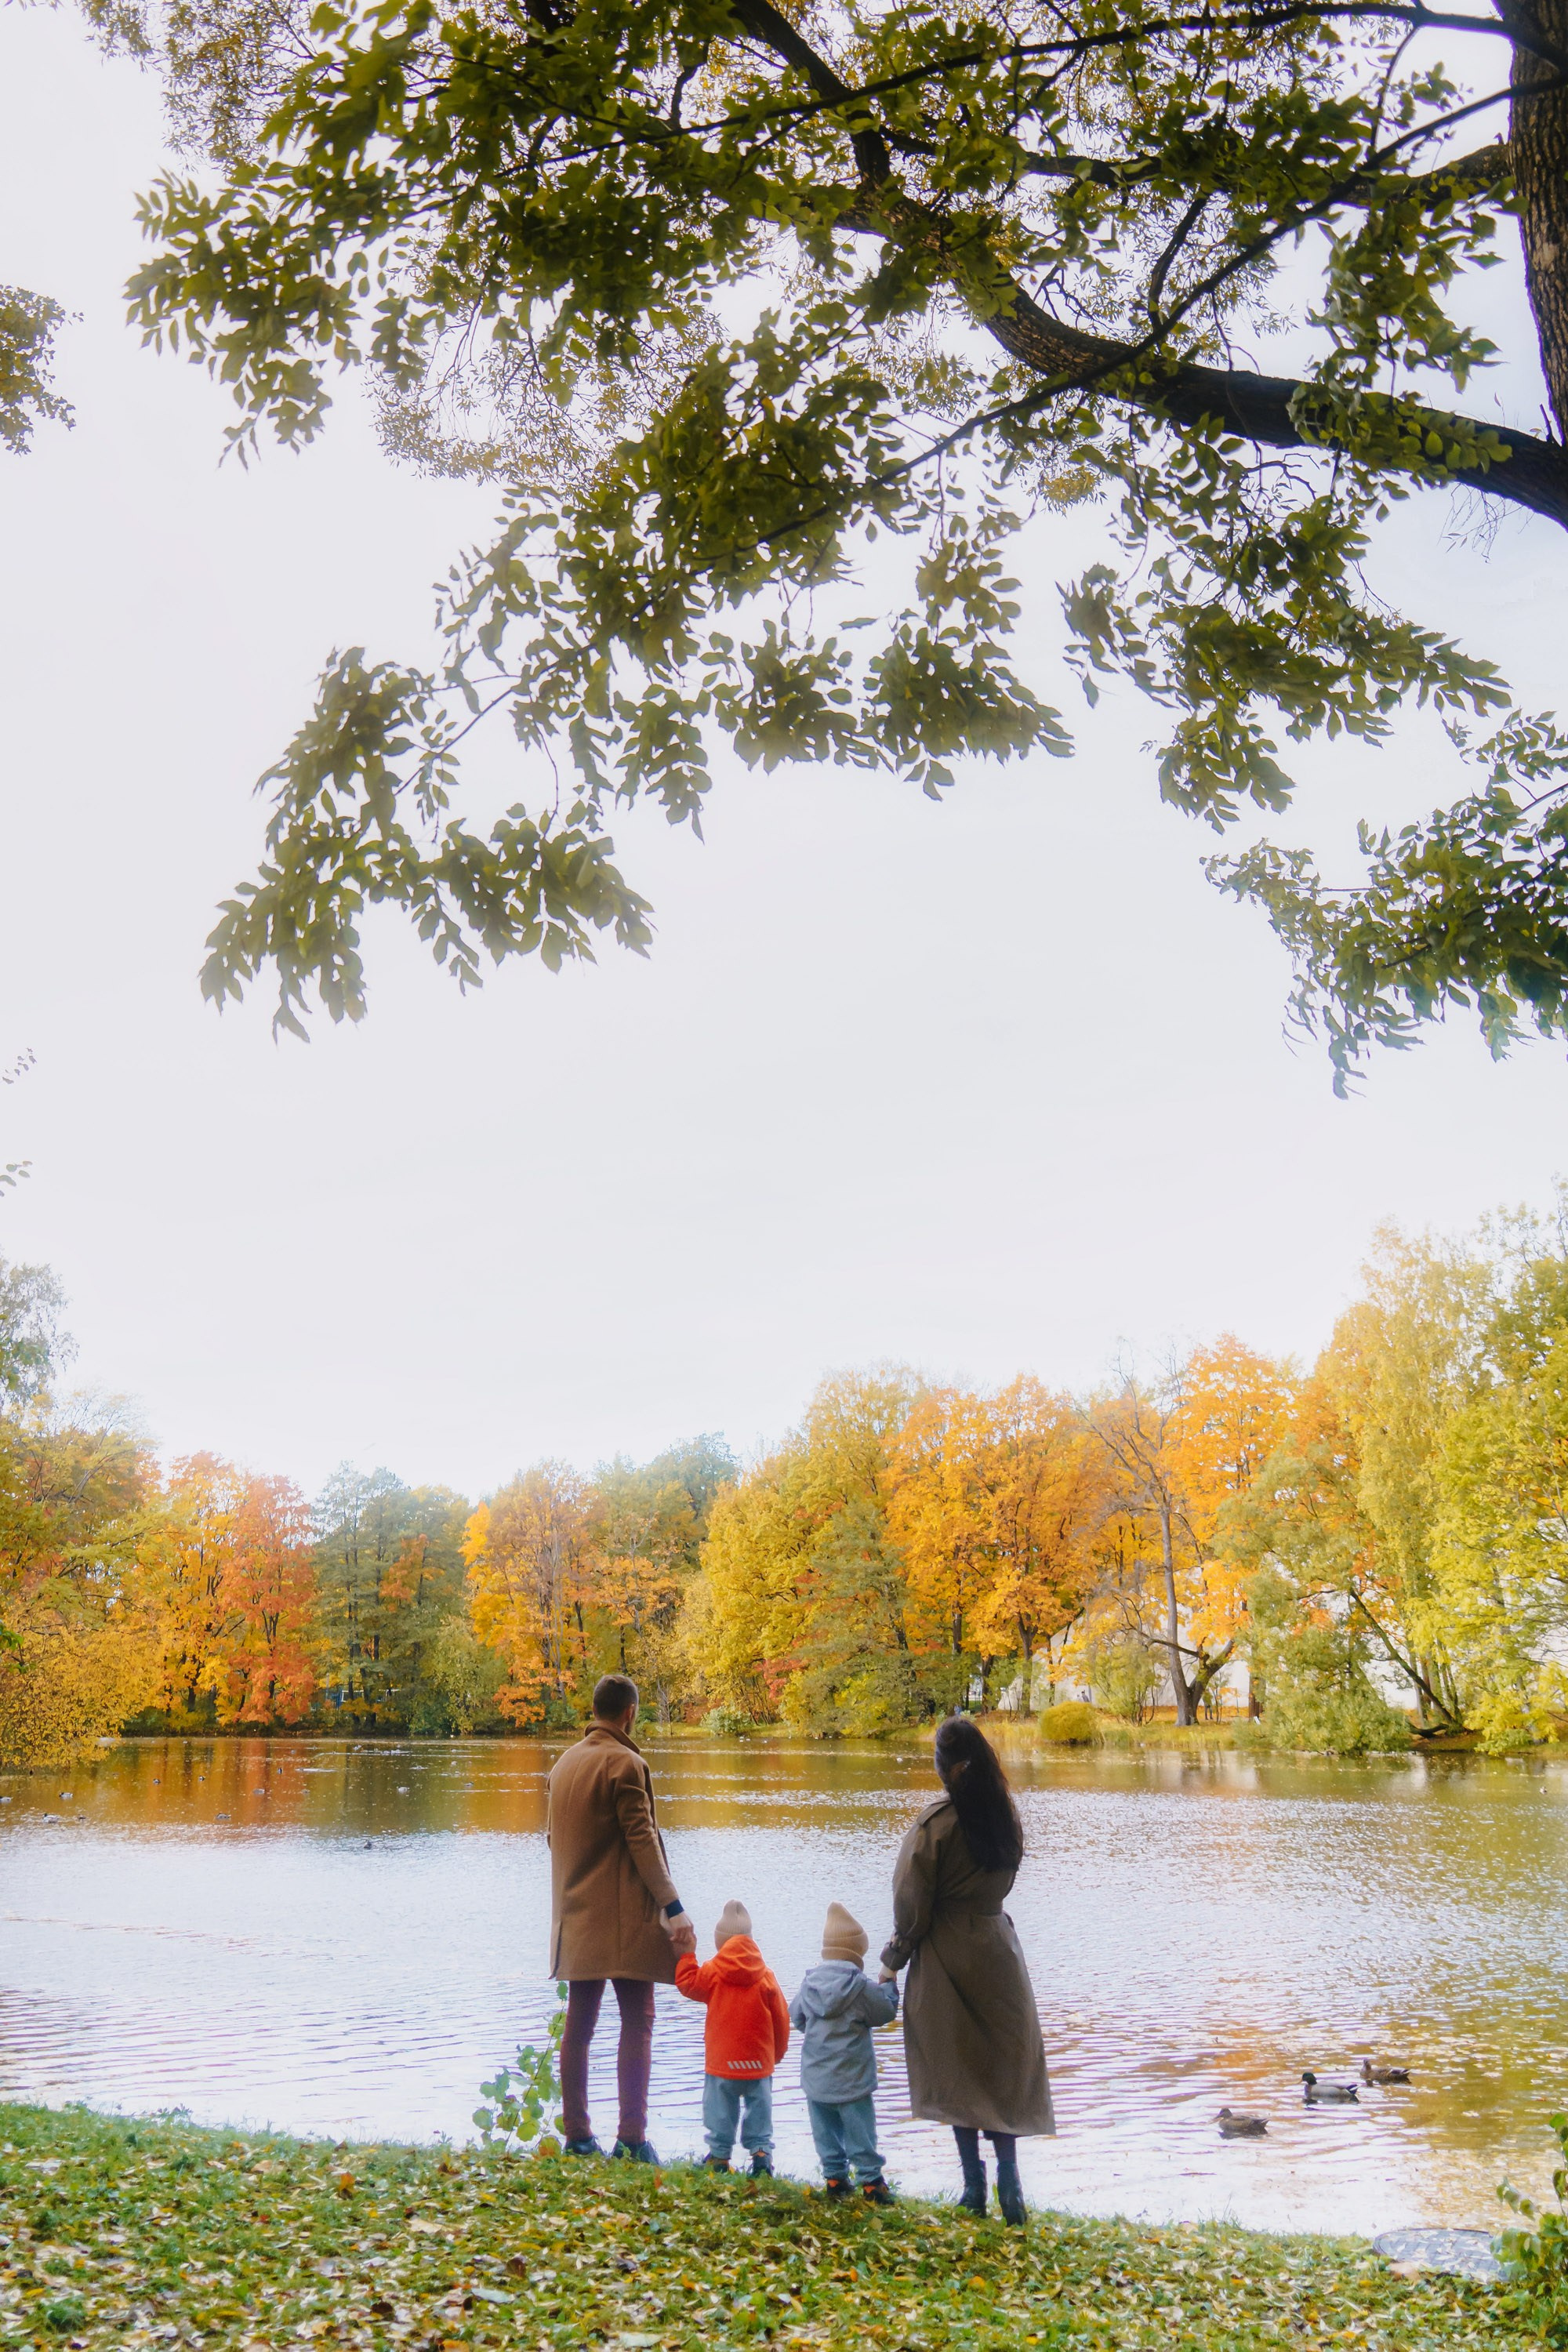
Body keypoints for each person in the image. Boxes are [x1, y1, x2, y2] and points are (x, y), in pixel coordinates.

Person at [880, 1715, 1052, 2225]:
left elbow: (911, 1904)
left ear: (943, 1767)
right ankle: (1010, 2184)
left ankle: (973, 2189)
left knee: (957, 2071)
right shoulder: (1005, 1817)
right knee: (1000, 2068)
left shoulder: (936, 1824)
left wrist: (893, 1961)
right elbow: (1006, 1878)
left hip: (946, 1955)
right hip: (999, 1949)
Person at [545, 1672, 697, 2161]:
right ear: (630, 1712)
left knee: (579, 2026)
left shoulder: (564, 1764)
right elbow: (642, 1840)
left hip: (575, 1918)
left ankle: (577, 2137)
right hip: (626, 1919)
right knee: (639, 2020)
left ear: (596, 1710)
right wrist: (672, 1908)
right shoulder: (626, 1763)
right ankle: (631, 2139)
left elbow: (554, 1840)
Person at [790, 1901, 900, 2205]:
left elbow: (796, 2016)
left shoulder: (809, 1984)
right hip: (852, 2080)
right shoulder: (859, 1987)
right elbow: (886, 2010)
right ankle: (871, 2183)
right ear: (856, 1954)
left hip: (816, 2079)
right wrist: (889, 1983)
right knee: (860, 2132)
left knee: (825, 2132)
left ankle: (835, 2179)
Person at [675, 1899, 791, 2175]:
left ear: (720, 1943)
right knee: (760, 2113)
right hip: (758, 2065)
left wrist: (687, 1955)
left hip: (722, 2063)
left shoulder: (713, 1973)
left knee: (719, 2111)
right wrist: (775, 2056)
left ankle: (719, 2157)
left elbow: (688, 1984)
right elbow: (782, 2019)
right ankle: (761, 2156)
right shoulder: (766, 1977)